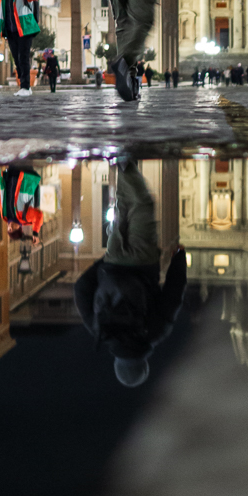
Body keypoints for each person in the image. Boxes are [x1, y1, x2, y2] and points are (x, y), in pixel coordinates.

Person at [74, 159, 187, 386]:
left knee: (143, 205)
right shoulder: (100, 332)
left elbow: (174, 294)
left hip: (143, 261)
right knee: (124, 205)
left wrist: (179, 259)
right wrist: (103, 265)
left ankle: (124, 161)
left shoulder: (154, 333)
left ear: (143, 364)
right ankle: (124, 160)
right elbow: (81, 289)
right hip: (113, 260)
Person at [0, 0, 42, 97]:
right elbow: (3, 11)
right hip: (11, 31)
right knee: (17, 60)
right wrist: (1, 28)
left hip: (24, 29)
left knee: (23, 58)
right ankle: (23, 87)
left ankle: (26, 87)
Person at [0, 162, 43, 241]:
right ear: (20, 228)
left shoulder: (4, 216)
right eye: (14, 229)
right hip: (25, 175)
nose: (10, 227)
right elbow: (39, 216)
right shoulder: (25, 217)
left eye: (9, 230)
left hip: (10, 174)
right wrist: (35, 233)